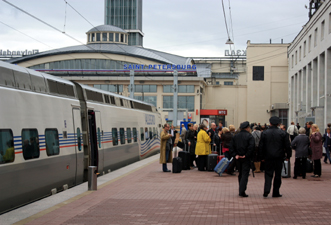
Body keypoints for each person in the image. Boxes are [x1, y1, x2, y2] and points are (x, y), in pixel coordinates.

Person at [259, 116, 291, 198]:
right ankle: (276, 192)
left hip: (268, 157)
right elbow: (287, 146)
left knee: (268, 174)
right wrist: (288, 155)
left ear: (270, 123)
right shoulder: (283, 133)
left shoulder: (264, 133)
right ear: (278, 124)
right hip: (279, 156)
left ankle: (266, 190)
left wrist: (261, 157)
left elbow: (261, 146)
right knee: (277, 175)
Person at [229, 121, 255, 197]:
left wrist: (235, 155)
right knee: (245, 174)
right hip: (246, 158)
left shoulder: (235, 136)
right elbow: (251, 147)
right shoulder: (249, 136)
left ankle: (241, 189)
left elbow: (231, 147)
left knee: (240, 173)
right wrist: (246, 155)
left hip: (237, 158)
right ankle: (242, 190)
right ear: (247, 128)